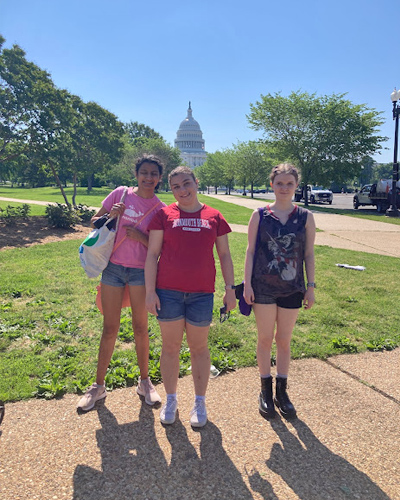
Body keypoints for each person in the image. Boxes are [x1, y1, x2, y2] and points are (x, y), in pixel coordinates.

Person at [145, 166, 236, 427]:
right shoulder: (163, 215)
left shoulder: (214, 216)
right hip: (168, 292)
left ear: (197, 182)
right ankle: (171, 398)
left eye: (187, 183)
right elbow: (152, 255)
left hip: (202, 294)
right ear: (170, 189)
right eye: (176, 187)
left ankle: (199, 401)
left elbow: (225, 256)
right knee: (170, 347)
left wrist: (230, 290)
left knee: (199, 348)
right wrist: (150, 292)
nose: (182, 190)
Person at [77, 154, 166, 411]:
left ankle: (145, 382)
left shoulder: (161, 209)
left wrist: (141, 236)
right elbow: (93, 222)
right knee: (110, 328)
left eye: (153, 174)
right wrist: (111, 216)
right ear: (136, 174)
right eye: (144, 172)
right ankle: (98, 386)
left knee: (140, 328)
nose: (148, 177)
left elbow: (160, 249)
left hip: (140, 272)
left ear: (159, 178)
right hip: (113, 269)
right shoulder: (120, 194)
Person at [244, 163, 316, 419]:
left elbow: (308, 254)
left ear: (296, 186)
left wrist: (311, 287)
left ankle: (281, 391)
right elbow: (251, 251)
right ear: (272, 185)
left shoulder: (305, 217)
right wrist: (247, 284)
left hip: (292, 288)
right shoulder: (260, 215)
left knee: (283, 340)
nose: (284, 188)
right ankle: (265, 390)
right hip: (262, 287)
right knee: (265, 339)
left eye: (289, 183)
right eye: (279, 183)